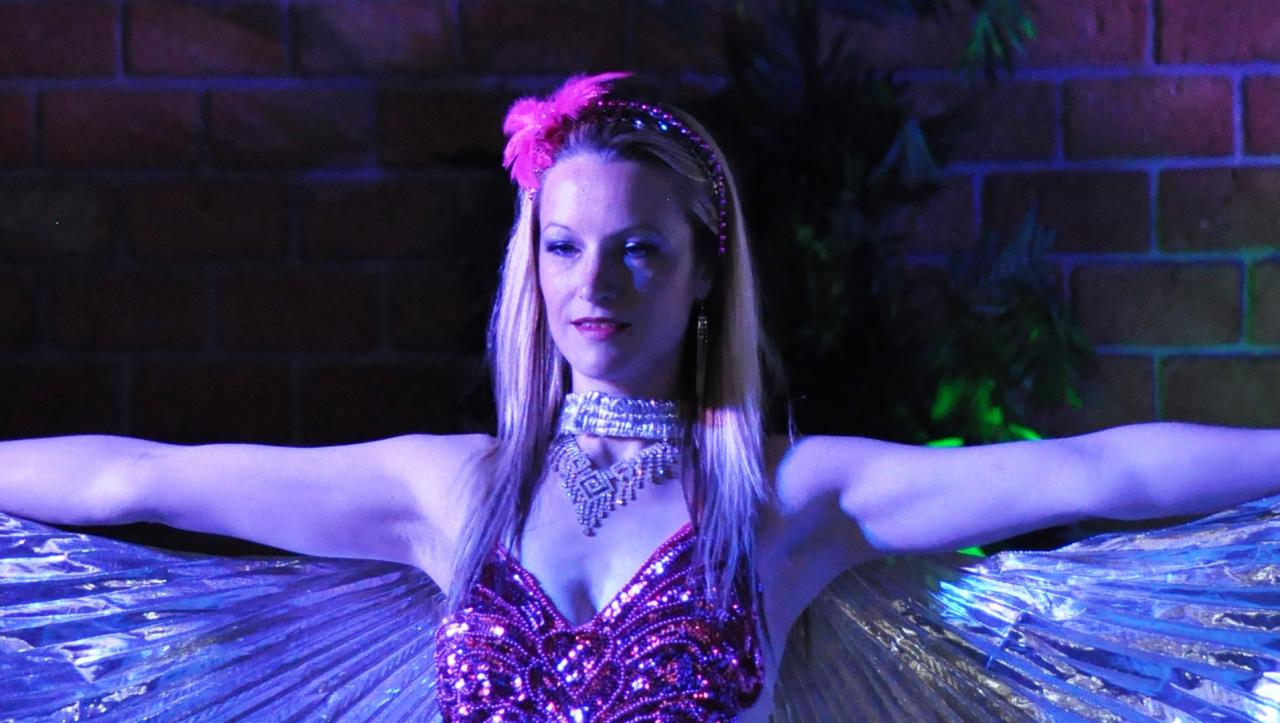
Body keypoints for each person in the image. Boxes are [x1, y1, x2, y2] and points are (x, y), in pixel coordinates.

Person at [1, 71, 1279, 721]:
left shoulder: (782, 497)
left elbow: (1094, 472)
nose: (592, 284)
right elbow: (135, 479)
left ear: (703, 272)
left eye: (637, 250)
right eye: (562, 247)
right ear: (529, 264)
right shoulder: (450, 490)